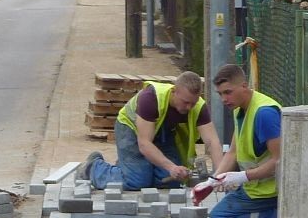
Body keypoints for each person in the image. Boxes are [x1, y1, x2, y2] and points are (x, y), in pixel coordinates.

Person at [83, 70, 220, 191]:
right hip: (131, 129)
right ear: (174, 91)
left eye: (193, 103)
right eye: (185, 102)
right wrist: (172, 167)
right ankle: (93, 167)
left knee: (172, 181)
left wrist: (220, 176)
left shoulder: (199, 107)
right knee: (137, 181)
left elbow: (212, 141)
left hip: (163, 133)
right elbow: (144, 144)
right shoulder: (150, 98)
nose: (189, 107)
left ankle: (131, 166)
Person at [208, 63, 282, 218]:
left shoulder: (264, 113)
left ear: (243, 86)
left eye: (228, 92)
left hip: (268, 191)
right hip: (253, 186)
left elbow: (279, 160)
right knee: (227, 199)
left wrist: (242, 176)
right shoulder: (239, 108)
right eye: (220, 94)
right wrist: (212, 181)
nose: (223, 99)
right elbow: (233, 152)